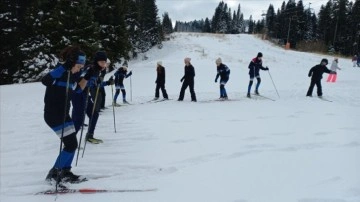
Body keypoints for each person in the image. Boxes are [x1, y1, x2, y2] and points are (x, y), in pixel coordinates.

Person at [42, 46, 93, 184]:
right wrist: (65, 67)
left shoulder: (73, 75)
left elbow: (78, 90)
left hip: (64, 114)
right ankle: (54, 174)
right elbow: (45, 80)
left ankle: (65, 171)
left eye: (82, 66)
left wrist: (88, 76)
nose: (79, 69)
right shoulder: (61, 71)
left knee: (72, 144)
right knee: (70, 144)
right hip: (53, 115)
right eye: (78, 65)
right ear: (70, 62)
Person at [71, 51, 113, 144]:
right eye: (101, 62)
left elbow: (95, 85)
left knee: (94, 114)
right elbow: (77, 83)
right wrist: (87, 79)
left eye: (104, 62)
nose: (103, 64)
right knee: (78, 120)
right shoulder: (89, 68)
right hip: (77, 95)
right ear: (97, 61)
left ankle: (89, 135)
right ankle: (70, 142)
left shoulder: (98, 71)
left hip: (85, 95)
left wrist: (108, 83)